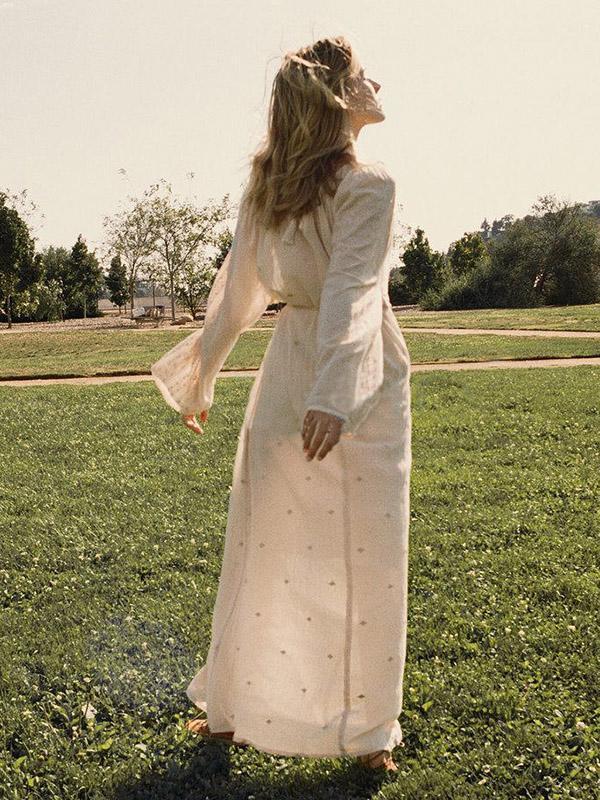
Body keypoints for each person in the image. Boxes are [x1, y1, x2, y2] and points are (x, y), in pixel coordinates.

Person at [150, 35, 412, 773]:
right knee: (262, 538)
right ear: (337, 95)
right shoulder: (282, 189)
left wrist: (334, 392)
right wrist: (201, 376)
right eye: (364, 75)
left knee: (363, 551)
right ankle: (232, 707)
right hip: (311, 372)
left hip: (350, 377)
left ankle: (365, 730)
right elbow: (244, 290)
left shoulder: (358, 186)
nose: (378, 84)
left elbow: (351, 292)